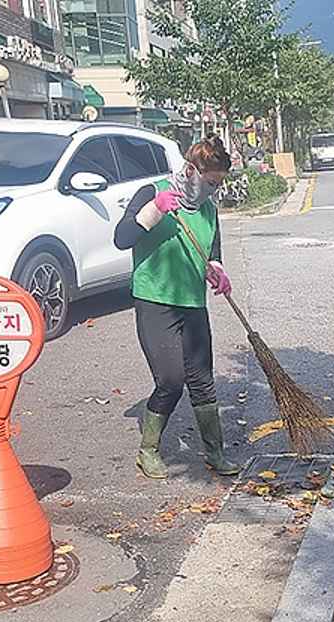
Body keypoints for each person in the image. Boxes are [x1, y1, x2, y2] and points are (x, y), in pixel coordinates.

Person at [113, 136, 239, 480]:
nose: (213, 191)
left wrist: (217, 270)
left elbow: (212, 250)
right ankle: (148, 450)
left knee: (202, 381)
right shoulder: (153, 192)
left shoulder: (208, 209)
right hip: (155, 300)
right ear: (191, 171)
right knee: (170, 380)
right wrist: (154, 210)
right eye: (210, 182)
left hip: (193, 303)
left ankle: (215, 453)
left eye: (218, 184)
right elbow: (122, 237)